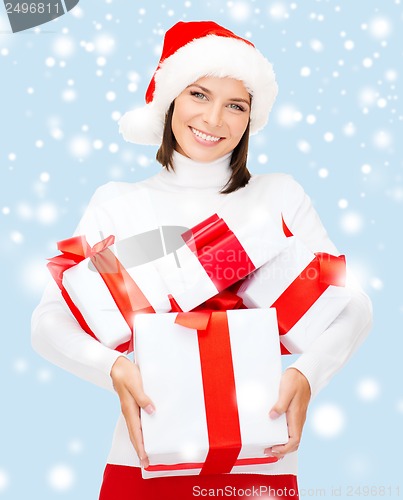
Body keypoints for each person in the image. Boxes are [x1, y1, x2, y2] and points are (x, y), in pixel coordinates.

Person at [31, 20, 372, 500]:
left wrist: (307, 372)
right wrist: (112, 368)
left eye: (236, 105)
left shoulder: (277, 195)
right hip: (144, 458)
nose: (214, 119)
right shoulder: (118, 202)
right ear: (169, 99)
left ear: (251, 117)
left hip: (262, 457)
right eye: (198, 94)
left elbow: (352, 305)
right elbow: (48, 322)